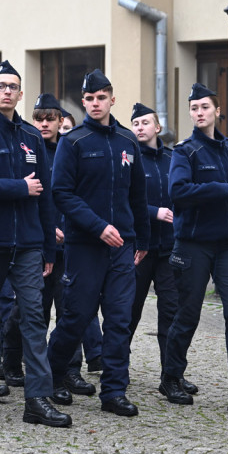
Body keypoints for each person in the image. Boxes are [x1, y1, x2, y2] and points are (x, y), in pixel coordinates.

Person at [0, 60, 71, 427]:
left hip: (27, 244)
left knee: (35, 319)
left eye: (13, 86)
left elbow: (46, 196)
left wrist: (48, 249)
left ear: (21, 94)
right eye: (0, 86)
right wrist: (17, 187)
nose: (7, 91)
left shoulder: (32, 137)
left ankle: (37, 399)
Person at [48, 70, 150, 418]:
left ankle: (114, 391)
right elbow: (61, 193)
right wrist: (97, 226)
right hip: (84, 245)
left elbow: (137, 195)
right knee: (75, 318)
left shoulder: (127, 140)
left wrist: (143, 238)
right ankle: (53, 374)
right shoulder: (73, 141)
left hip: (122, 245)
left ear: (112, 99)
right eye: (89, 99)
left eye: (101, 97)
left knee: (120, 319)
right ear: (83, 101)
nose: (95, 103)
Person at [162, 83, 228, 416]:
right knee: (188, 314)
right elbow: (178, 191)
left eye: (205, 107)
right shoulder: (185, 152)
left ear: (217, 111)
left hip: (227, 246)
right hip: (193, 246)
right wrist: (219, 189)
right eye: (194, 108)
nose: (199, 113)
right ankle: (171, 376)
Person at [31, 92, 100, 394]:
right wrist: (47, 230)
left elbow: (78, 196)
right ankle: (35, 371)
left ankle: (69, 371)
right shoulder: (29, 150)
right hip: (38, 244)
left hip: (71, 242)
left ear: (61, 121)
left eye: (50, 118)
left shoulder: (73, 148)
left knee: (72, 311)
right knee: (36, 313)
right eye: (39, 118)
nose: (45, 124)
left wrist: (65, 227)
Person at [129, 102, 198, 396]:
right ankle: (116, 369)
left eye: (146, 122)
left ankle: (172, 375)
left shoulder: (174, 159)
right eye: (136, 124)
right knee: (128, 312)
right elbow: (122, 201)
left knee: (171, 312)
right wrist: (154, 212)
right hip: (139, 249)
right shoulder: (128, 159)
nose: (141, 127)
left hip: (170, 249)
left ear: (158, 128)